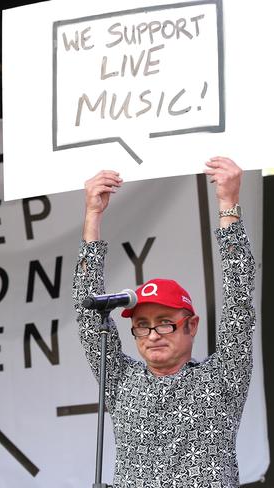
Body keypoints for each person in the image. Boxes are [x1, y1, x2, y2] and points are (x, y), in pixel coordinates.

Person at [72, 157, 256, 488]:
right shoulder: (121, 381)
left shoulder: (222, 379)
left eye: (165, 322)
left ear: (192, 325)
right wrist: (92, 216)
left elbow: (239, 300)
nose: (153, 334)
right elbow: (87, 312)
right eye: (142, 324)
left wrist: (229, 204)